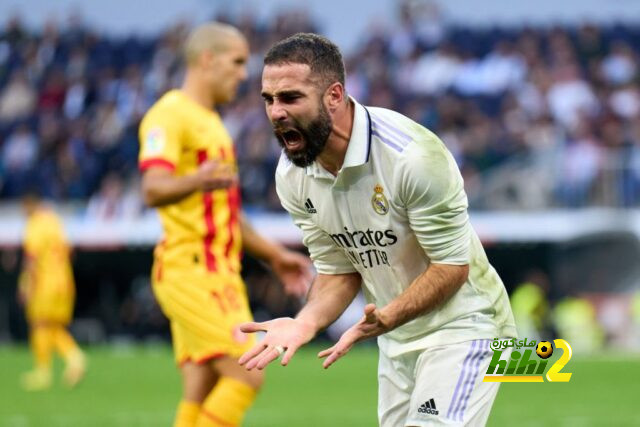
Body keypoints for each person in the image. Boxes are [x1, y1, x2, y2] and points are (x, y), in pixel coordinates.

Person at [239, 33, 517, 426]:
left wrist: (387, 315)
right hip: (396, 337)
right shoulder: (292, 175)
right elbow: (339, 270)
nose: (275, 112)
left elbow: (452, 267)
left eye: (290, 97)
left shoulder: (413, 157)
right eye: (268, 99)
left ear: (334, 95)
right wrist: (306, 321)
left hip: (466, 326)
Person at [138, 23, 311, 427]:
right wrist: (198, 179)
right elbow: (152, 188)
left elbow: (226, 212)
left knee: (200, 385)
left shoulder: (213, 124)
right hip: (192, 270)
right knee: (248, 371)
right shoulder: (170, 113)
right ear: (207, 60)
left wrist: (273, 255)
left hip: (220, 270)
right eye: (236, 62)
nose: (243, 74)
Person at [18, 192, 86, 391]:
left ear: (29, 204)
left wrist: (25, 284)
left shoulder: (35, 224)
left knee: (39, 324)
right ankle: (75, 359)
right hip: (64, 283)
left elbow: (31, 258)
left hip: (44, 283)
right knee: (54, 326)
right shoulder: (55, 221)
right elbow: (69, 251)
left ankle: (43, 372)